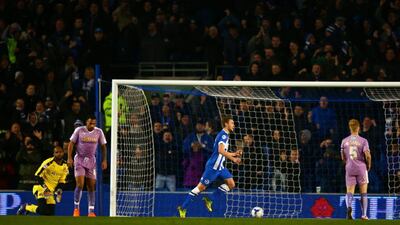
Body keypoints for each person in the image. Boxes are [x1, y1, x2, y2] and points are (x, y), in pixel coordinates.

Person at [177, 116, 241, 218]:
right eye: (232, 123)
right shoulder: (223, 135)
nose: (234, 125)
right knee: (200, 188)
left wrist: (233, 154)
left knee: (231, 184)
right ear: (226, 124)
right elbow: (220, 151)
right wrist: (233, 158)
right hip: (213, 167)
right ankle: (183, 207)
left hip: (220, 166)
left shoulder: (225, 135)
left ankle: (210, 199)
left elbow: (221, 152)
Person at [67, 115, 107, 217]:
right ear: (86, 122)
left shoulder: (99, 132)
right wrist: (69, 158)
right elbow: (71, 143)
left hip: (91, 161)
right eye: (90, 123)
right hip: (79, 159)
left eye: (94, 123)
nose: (92, 125)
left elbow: (103, 146)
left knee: (91, 186)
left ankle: (91, 211)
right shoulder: (79, 130)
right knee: (80, 184)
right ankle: (76, 209)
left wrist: (104, 160)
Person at [17, 146, 68, 215]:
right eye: (57, 152)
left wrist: (59, 189)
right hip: (40, 187)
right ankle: (26, 207)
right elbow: (37, 175)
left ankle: (28, 207)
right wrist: (45, 188)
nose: (59, 154)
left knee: (50, 214)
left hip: (50, 191)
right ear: (53, 154)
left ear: (63, 153)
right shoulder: (48, 163)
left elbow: (62, 180)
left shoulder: (65, 165)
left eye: (60, 152)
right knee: (43, 211)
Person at [341, 119, 371, 220]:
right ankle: (364, 215)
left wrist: (347, 162)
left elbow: (342, 157)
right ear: (358, 128)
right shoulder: (363, 141)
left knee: (349, 191)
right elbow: (368, 155)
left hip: (349, 167)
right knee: (363, 192)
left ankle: (349, 207)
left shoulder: (344, 141)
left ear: (350, 128)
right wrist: (369, 164)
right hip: (361, 168)